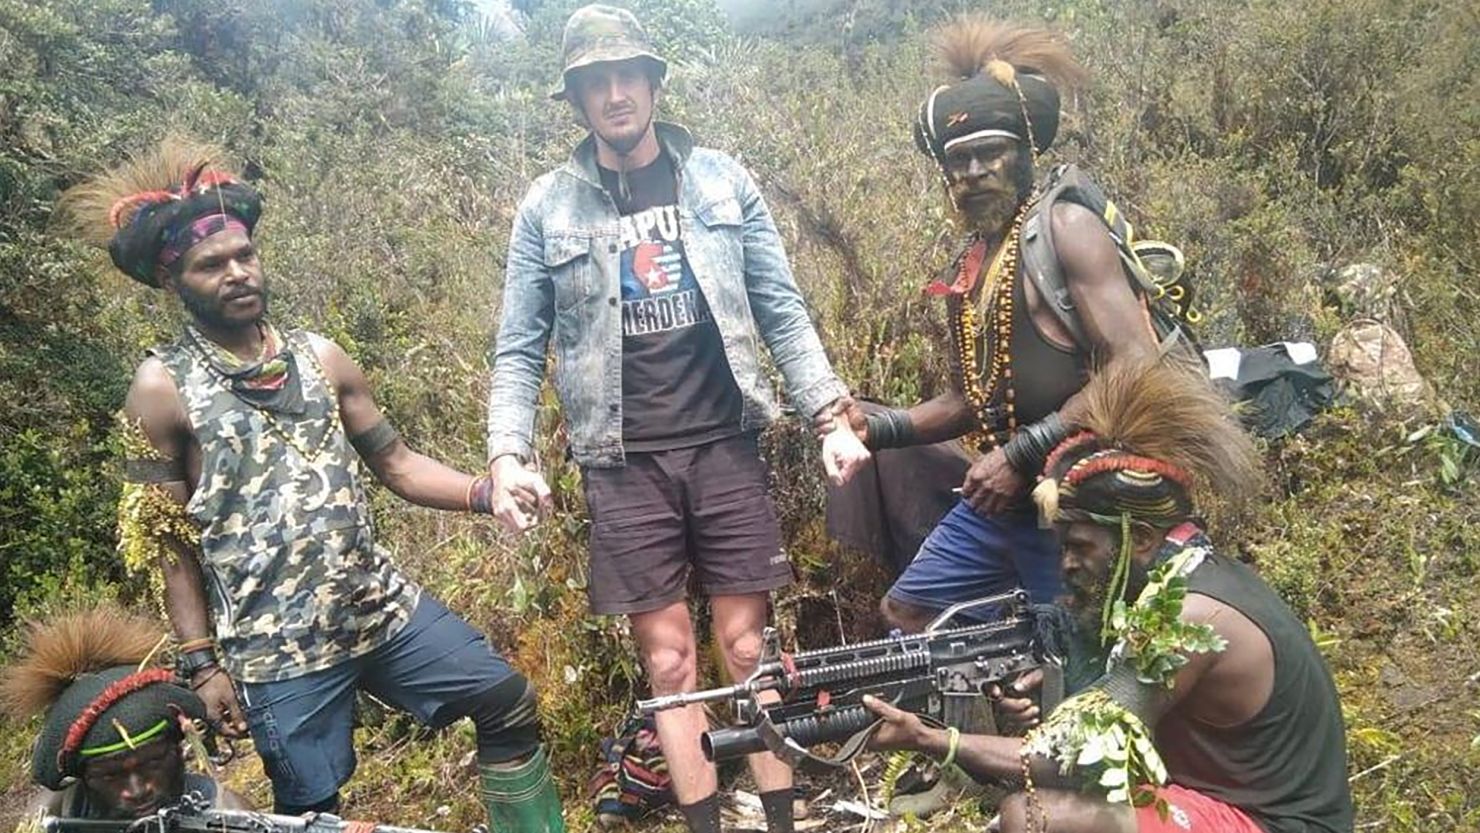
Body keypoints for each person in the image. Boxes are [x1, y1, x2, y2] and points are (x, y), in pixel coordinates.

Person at [59, 138, 564, 831]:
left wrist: (488, 491)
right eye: (212, 265)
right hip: (275, 649)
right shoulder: (161, 388)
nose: (237, 272)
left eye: (245, 255)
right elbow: (167, 542)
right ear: (174, 282)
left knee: (505, 697)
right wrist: (203, 663)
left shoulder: (319, 355)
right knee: (310, 813)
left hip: (377, 609)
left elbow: (399, 464)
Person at [484, 6, 864, 831]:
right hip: (622, 460)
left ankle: (780, 819)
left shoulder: (722, 180)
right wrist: (507, 453)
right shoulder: (546, 207)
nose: (614, 94)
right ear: (577, 99)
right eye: (595, 82)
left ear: (654, 84)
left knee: (749, 650)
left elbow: (781, 310)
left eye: (628, 76)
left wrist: (830, 413)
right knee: (668, 660)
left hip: (723, 442)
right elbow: (518, 346)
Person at [862, 356, 1355, 833]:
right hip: (1216, 800)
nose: (1067, 564)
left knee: (1028, 817)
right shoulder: (1190, 578)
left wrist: (932, 739)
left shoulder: (1186, 616)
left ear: (1139, 538)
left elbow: (1071, 757)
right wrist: (1049, 691)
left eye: (1078, 546)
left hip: (1271, 825)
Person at [826, 16, 1159, 632]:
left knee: (1079, 650)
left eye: (989, 153)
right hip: (1000, 495)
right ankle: (1001, 685)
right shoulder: (973, 262)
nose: (972, 172)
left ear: (1023, 154)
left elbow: (1137, 361)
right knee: (908, 612)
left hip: (1078, 494)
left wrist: (1021, 454)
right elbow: (967, 400)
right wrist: (879, 427)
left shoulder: (1066, 228)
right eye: (958, 160)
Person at [0, 607, 250, 820]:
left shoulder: (226, 813)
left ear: (178, 748)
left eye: (153, 763)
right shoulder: (55, 813)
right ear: (83, 776)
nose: (138, 789)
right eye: (110, 775)